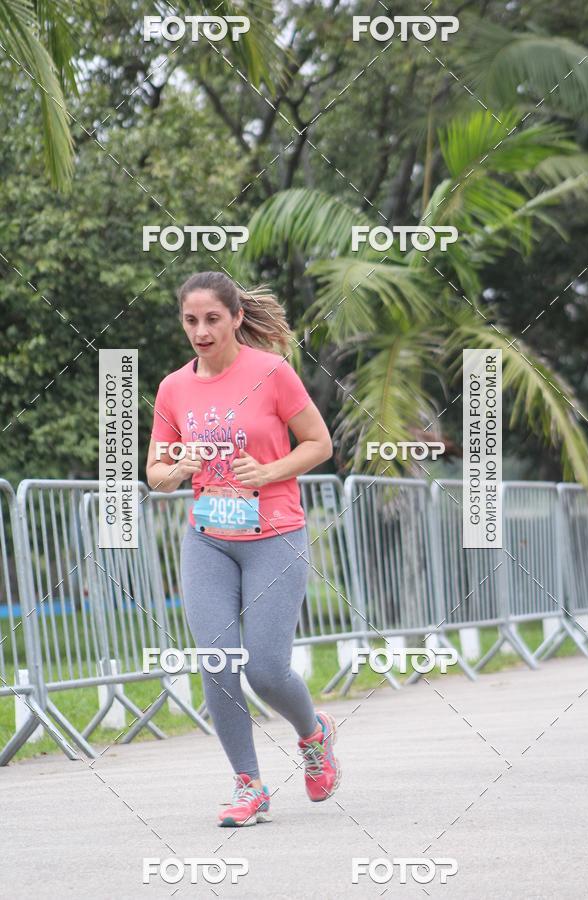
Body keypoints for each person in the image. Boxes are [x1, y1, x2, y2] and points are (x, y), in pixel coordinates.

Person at [146, 270, 342, 827]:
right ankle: (248, 784)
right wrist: (175, 470)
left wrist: (270, 469)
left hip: (274, 535)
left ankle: (313, 734)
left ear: (235, 318)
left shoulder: (271, 373)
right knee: (217, 661)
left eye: (212, 319)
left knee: (267, 670)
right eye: (191, 320)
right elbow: (154, 471)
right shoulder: (173, 388)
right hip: (208, 538)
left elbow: (319, 443)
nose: (201, 331)